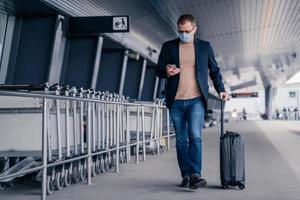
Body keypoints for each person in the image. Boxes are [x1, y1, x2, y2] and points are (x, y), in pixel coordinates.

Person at [156, 14, 229, 189]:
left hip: (196, 100)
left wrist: (221, 89)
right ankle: (186, 175)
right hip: (175, 101)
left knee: (195, 137)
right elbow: (159, 70)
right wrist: (167, 71)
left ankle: (196, 174)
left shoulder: (204, 47)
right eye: (180, 31)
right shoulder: (169, 46)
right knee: (181, 141)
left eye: (187, 31)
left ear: (195, 29)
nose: (183, 34)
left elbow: (214, 70)